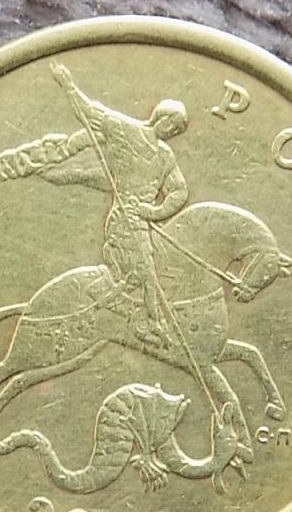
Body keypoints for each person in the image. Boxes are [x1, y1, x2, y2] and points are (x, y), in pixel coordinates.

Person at [50, 61, 189, 347]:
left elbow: (179, 191)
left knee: (159, 269)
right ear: (162, 119)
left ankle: (124, 306)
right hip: (124, 219)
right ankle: (149, 323)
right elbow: (90, 113)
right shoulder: (125, 129)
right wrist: (69, 85)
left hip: (142, 220)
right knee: (145, 272)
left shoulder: (165, 155)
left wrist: (156, 212)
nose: (173, 133)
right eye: (174, 126)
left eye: (177, 130)